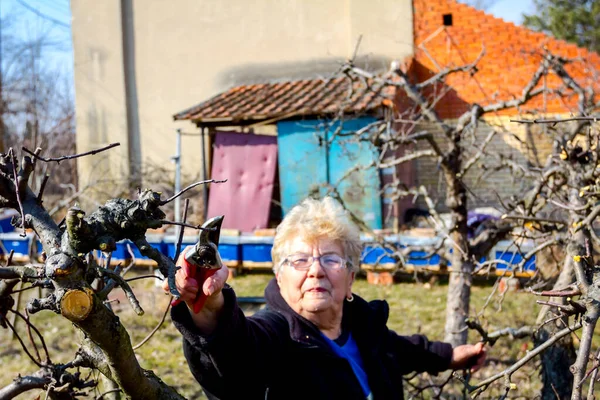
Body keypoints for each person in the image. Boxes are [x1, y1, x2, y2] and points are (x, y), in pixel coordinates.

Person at [165, 197, 486, 400]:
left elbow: (402, 349)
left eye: (331, 260)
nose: (316, 271)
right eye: (300, 260)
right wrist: (212, 310)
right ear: (280, 276)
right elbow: (238, 358)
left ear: (350, 279)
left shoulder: (364, 327)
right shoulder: (276, 335)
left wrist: (448, 355)